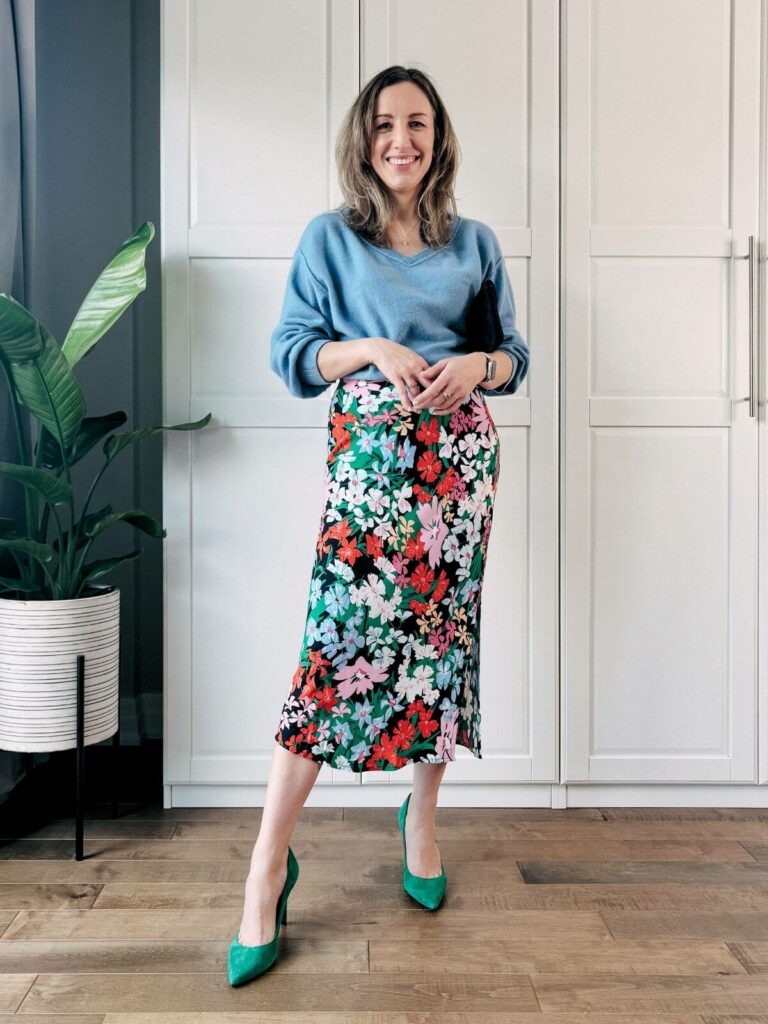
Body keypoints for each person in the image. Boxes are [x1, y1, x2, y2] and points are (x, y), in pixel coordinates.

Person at [228, 64, 530, 987]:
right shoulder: (330, 240)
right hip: (369, 483)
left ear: (440, 139)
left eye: (420, 125)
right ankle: (267, 868)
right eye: (387, 125)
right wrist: (370, 348)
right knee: (332, 656)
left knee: (440, 649)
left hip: (459, 475)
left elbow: (516, 357)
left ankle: (423, 822)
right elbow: (292, 355)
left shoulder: (473, 242)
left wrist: (477, 368)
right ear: (364, 139)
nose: (404, 140)